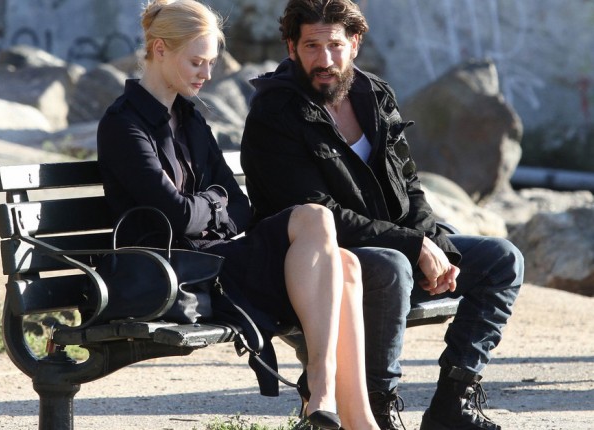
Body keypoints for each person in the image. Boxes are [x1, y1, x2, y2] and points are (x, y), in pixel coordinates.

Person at [239, 1, 525, 429]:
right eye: (312, 46)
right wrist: (414, 245)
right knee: (391, 266)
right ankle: (376, 407)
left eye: (335, 45)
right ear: (291, 48)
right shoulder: (275, 114)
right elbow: (320, 213)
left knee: (502, 259)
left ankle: (453, 403)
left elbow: (409, 184)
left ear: (354, 43)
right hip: (319, 263)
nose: (325, 59)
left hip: (389, 246)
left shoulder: (373, 95)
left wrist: (438, 247)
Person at [97, 1, 381, 428]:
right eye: (197, 62)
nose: (207, 74)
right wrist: (214, 203)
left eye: (210, 63)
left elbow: (241, 209)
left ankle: (355, 417)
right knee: (318, 223)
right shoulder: (124, 125)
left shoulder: (190, 118)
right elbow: (176, 216)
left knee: (346, 263)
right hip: (176, 274)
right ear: (159, 49)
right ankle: (321, 388)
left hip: (217, 262)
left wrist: (208, 205)